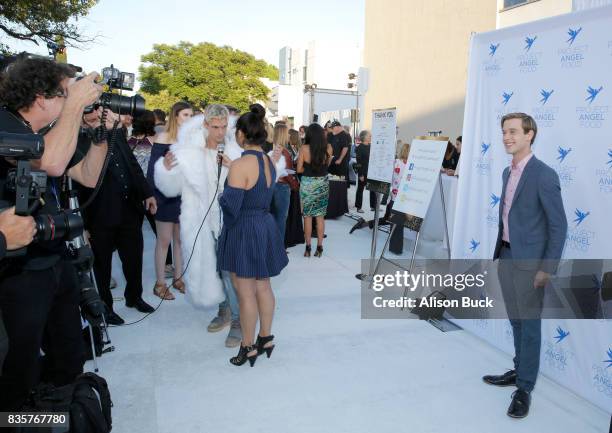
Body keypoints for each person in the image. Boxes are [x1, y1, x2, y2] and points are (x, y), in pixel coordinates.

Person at [0, 56, 105, 411]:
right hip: (19, 272)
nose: (71, 100)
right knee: (19, 364)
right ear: (41, 97)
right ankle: (20, 418)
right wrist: (76, 106)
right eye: (64, 94)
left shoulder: (44, 135)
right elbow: (52, 163)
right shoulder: (5, 125)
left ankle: (63, 412)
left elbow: (87, 175)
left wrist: (103, 133)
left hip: (54, 256)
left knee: (69, 355)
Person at [483, 113, 567, 419]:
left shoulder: (544, 175)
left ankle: (525, 388)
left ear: (530, 134)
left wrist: (547, 268)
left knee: (530, 326)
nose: (507, 136)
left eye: (514, 131)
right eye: (504, 131)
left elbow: (559, 226)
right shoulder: (508, 172)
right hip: (506, 256)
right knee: (516, 321)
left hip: (531, 265)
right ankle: (519, 372)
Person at [155, 104, 244, 348]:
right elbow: (170, 188)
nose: (220, 132)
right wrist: (166, 170)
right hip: (201, 221)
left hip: (230, 220)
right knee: (214, 269)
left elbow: (250, 181)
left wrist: (232, 167)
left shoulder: (235, 149)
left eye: (224, 127)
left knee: (229, 271)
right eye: (215, 127)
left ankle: (238, 320)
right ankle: (225, 309)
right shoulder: (188, 152)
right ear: (205, 125)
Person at [217, 104, 288, 366]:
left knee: (245, 293)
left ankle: (247, 347)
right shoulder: (269, 161)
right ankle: (265, 337)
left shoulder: (240, 164)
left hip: (244, 230)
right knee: (263, 286)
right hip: (264, 226)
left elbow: (231, 209)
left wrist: (223, 195)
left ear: (241, 135)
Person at [78, 106, 157, 325]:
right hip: (99, 213)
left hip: (129, 208)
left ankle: (135, 297)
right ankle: (106, 307)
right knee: (102, 265)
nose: (96, 114)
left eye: (97, 109)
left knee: (134, 258)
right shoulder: (76, 138)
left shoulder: (114, 133)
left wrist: (147, 193)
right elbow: (75, 186)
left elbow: (131, 164)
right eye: (89, 111)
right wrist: (82, 224)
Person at [148, 102, 192, 300]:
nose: (189, 119)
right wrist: (151, 197)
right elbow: (152, 170)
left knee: (180, 241)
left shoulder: (190, 140)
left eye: (191, 115)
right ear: (175, 116)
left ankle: (178, 278)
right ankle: (159, 284)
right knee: (164, 240)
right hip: (164, 196)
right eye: (185, 115)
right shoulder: (163, 137)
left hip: (184, 197)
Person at [129, 110, 174, 273]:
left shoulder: (128, 141)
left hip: (137, 192)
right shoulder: (156, 140)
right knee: (159, 230)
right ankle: (167, 264)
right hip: (151, 191)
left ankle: (135, 264)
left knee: (137, 231)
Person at [297, 123, 333, 257]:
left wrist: (308, 168)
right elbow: (327, 166)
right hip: (322, 184)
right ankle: (320, 247)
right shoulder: (329, 148)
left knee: (307, 216)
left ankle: (307, 248)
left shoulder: (304, 148)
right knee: (320, 217)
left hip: (307, 184)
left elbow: (299, 169)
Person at [269, 123, 294, 241]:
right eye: (287, 132)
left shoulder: (272, 148)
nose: (289, 135)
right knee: (281, 218)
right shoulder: (283, 151)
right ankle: (278, 248)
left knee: (273, 217)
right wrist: (295, 185)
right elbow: (288, 173)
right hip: (282, 187)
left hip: (272, 185)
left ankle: (273, 246)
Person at [355, 130, 375, 213]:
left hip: (371, 172)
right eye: (369, 136)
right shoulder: (359, 148)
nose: (371, 137)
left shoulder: (372, 146)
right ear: (364, 137)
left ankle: (373, 206)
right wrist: (360, 175)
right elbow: (358, 163)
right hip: (363, 172)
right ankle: (358, 207)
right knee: (360, 189)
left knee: (373, 189)